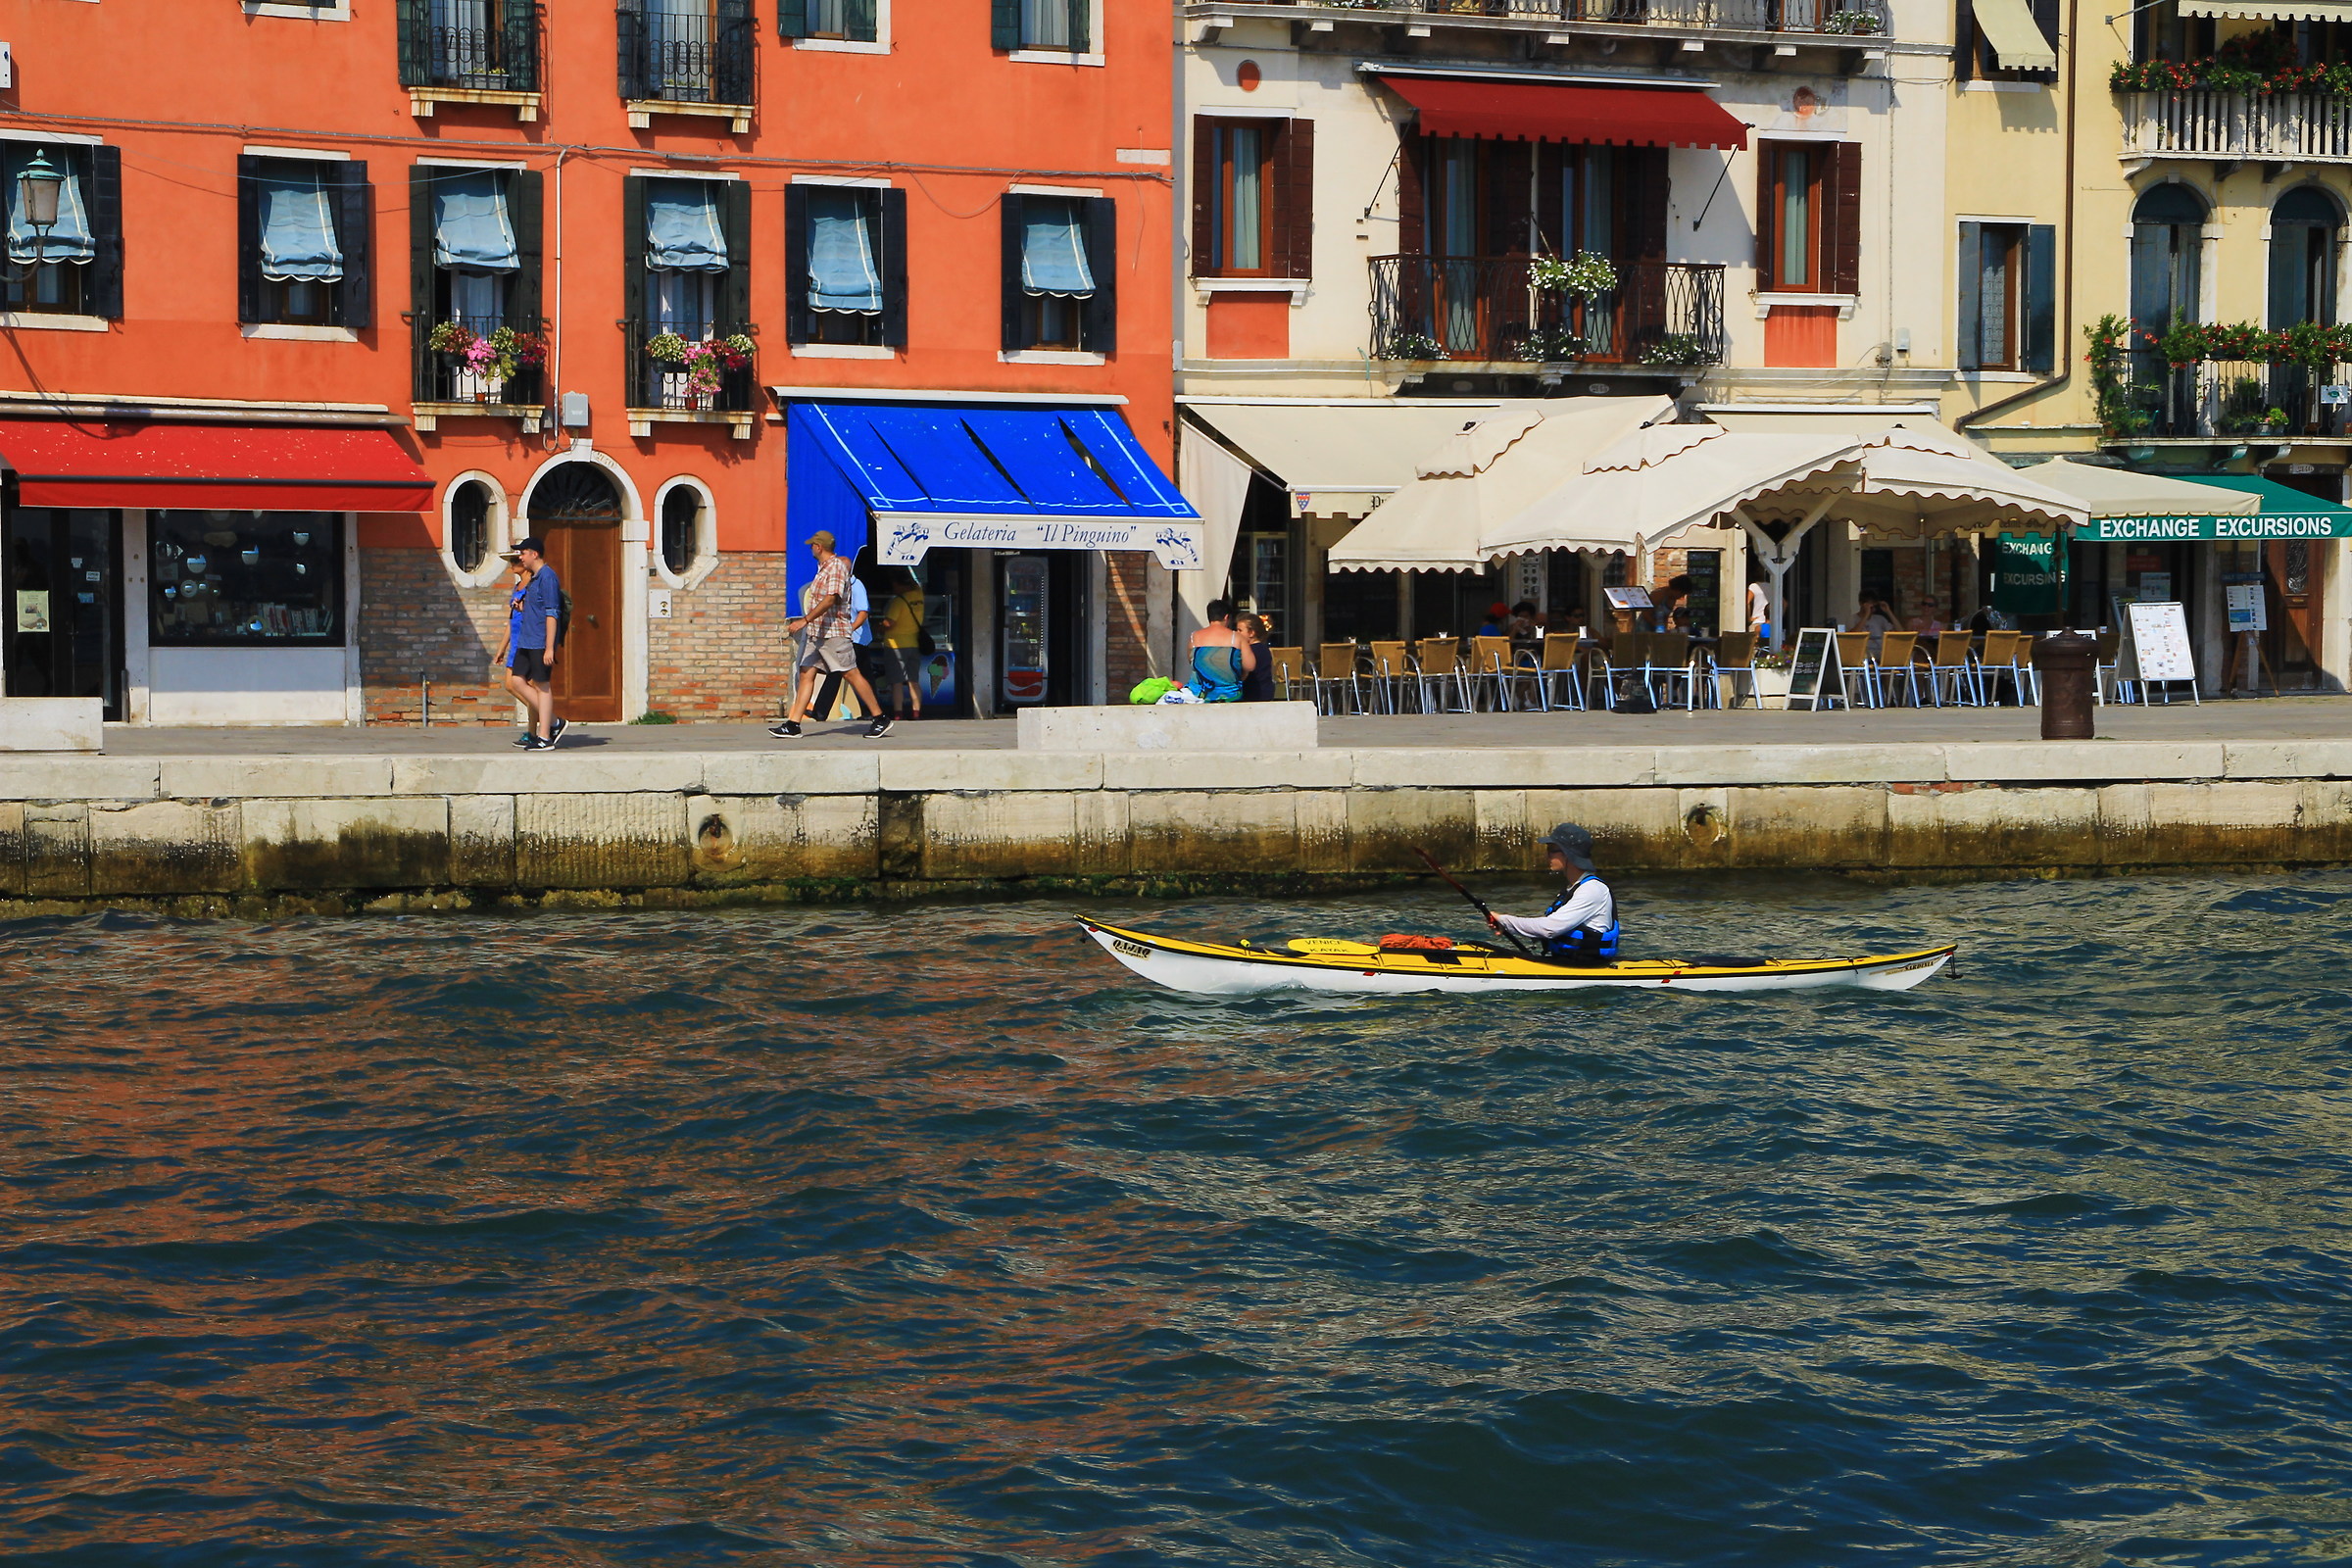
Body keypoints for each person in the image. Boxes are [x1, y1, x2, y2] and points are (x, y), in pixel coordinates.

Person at [772, 530, 891, 740]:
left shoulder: (835, 568)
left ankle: (880, 717)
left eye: (812, 545)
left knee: (850, 673)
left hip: (833, 633)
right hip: (817, 633)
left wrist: (804, 620)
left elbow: (831, 599)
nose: (810, 549)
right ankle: (793, 724)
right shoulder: (823, 568)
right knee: (806, 673)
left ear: (819, 547)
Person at [1487, 821, 1618, 966]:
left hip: (1587, 966)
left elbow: (1549, 929)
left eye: (1551, 850)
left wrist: (1504, 920)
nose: (1547, 855)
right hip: (1566, 961)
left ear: (1568, 854)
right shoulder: (1572, 889)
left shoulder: (1592, 890)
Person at [495, 536, 564, 751]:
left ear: (534, 554)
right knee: (516, 681)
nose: (520, 557)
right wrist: (522, 608)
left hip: (539, 641)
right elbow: (537, 610)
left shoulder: (547, 577)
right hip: (526, 639)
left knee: (542, 686)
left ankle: (545, 736)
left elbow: (552, 613)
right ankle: (553, 721)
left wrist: (550, 647)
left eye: (522, 553)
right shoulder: (534, 579)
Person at [874, 570, 927, 721]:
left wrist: (878, 627)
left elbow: (889, 623)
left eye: (894, 584)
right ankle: (916, 712)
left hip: (895, 645)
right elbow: (916, 584)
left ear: (899, 584)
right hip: (914, 643)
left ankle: (898, 713)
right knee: (913, 681)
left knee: (896, 681)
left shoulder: (898, 602)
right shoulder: (918, 595)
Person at [1188, 599, 1253, 703]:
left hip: (1200, 695)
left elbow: (1191, 661)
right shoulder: (1236, 638)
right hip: (1230, 695)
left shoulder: (1194, 637)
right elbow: (1250, 665)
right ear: (1227, 617)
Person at [1238, 613, 1275, 702]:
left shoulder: (1250, 651)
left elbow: (1244, 673)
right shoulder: (1264, 649)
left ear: (1251, 633)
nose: (1237, 633)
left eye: (1240, 630)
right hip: (1266, 692)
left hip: (1253, 694)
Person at [1848, 597, 1898, 661]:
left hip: (1881, 654)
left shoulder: (1880, 619)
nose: (1873, 610)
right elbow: (1852, 636)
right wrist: (1866, 615)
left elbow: (1900, 631)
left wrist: (1888, 611)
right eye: (1870, 607)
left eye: (1874, 607)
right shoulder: (1853, 619)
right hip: (1863, 655)